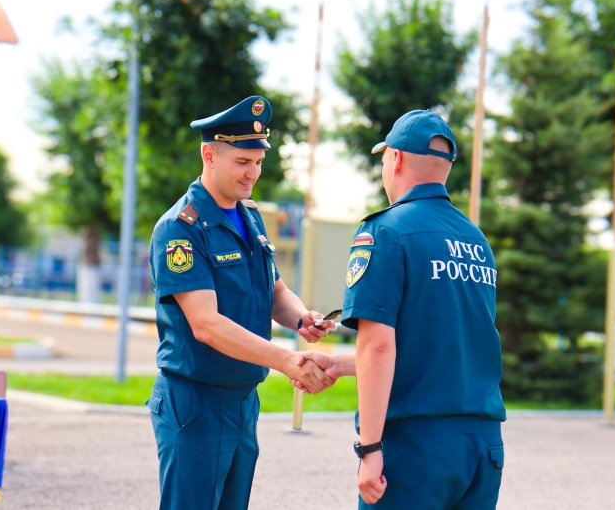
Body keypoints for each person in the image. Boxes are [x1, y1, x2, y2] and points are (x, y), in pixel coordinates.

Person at [296, 109, 506, 509]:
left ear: (394, 158)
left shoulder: (385, 231)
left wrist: (370, 447)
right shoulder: (476, 241)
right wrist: (339, 364)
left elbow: (378, 347)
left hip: (414, 448)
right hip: (481, 447)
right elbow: (441, 347)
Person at [147, 95, 336, 510]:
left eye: (257, 163)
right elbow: (206, 325)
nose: (252, 174)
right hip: (196, 402)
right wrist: (286, 360)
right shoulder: (181, 229)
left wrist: (302, 317)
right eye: (242, 162)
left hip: (240, 399)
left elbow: (275, 291)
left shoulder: (248, 216)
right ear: (209, 154)